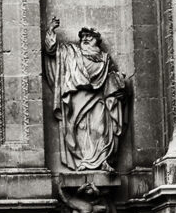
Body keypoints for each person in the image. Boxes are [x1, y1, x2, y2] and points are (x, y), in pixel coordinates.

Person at [43, 17, 126, 171]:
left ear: (97, 40)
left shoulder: (105, 59)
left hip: (97, 100)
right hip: (76, 101)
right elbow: (51, 49)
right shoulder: (71, 52)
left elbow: (111, 78)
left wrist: (118, 83)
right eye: (83, 36)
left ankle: (102, 161)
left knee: (100, 129)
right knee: (79, 131)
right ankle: (84, 161)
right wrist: (51, 30)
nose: (85, 39)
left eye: (90, 36)